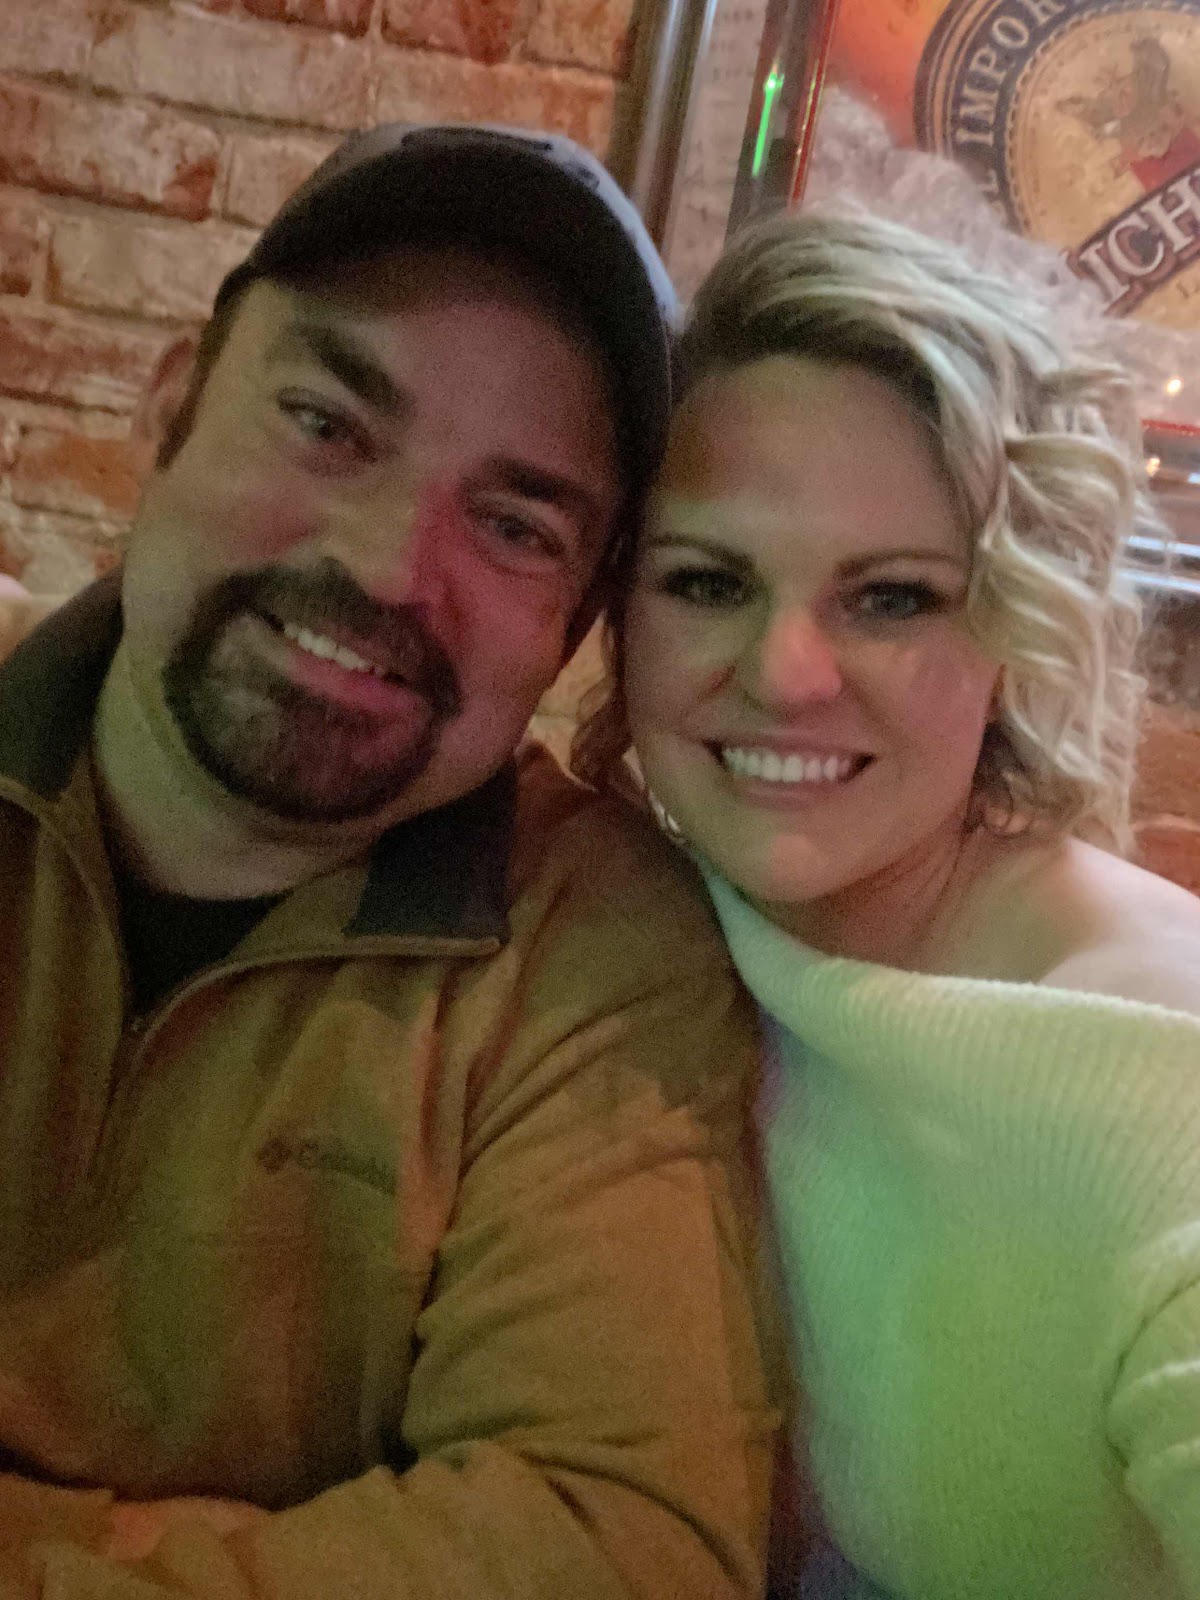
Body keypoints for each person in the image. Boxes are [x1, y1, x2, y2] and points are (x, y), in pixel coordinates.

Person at [0, 123, 776, 1595]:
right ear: (170, 410)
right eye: (327, 425)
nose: (382, 564)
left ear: (574, 625)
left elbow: (616, 1548)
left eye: (514, 523)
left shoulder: (596, 950)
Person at [577, 210, 1200, 1599]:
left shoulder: (1160, 1076)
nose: (785, 674)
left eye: (893, 599)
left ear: (1016, 626)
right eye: (708, 581)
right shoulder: (621, 934)